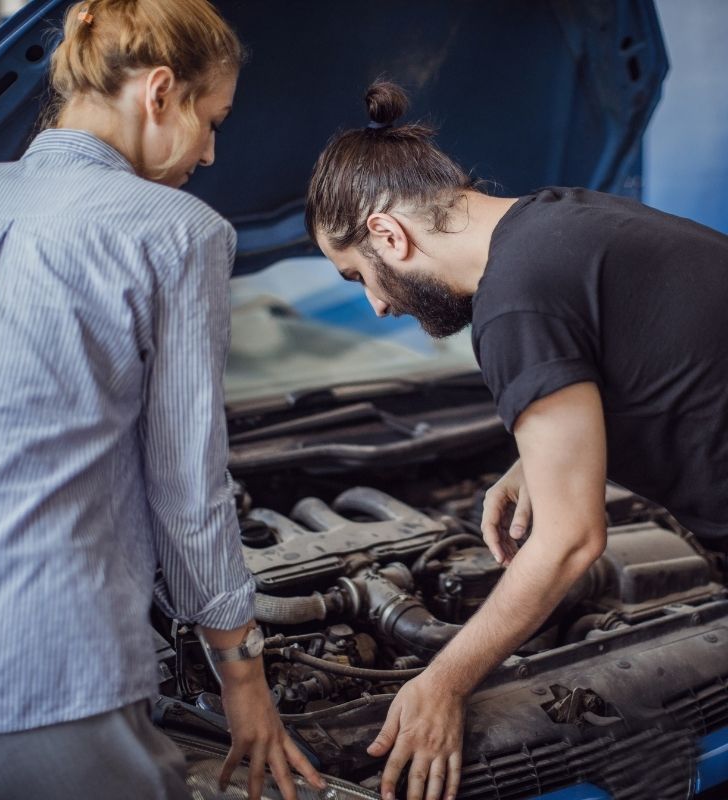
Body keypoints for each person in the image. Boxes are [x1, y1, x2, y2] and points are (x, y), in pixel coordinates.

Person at [0, 2, 324, 799]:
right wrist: (242, 679)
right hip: (39, 669)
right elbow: (188, 491)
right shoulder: (175, 230)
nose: (211, 153)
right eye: (212, 120)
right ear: (159, 92)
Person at [305, 80, 728, 800]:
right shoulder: (555, 218)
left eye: (358, 275)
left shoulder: (512, 304)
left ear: (386, 234)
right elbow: (639, 351)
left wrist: (444, 682)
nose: (375, 304)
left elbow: (569, 542)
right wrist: (532, 458)